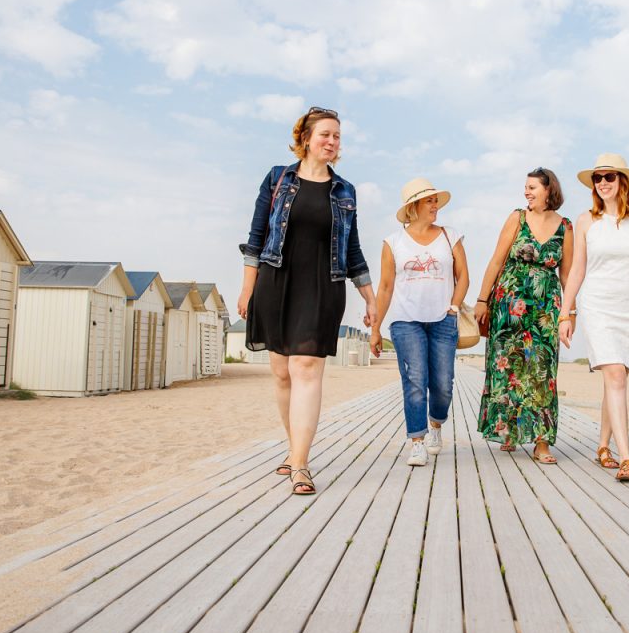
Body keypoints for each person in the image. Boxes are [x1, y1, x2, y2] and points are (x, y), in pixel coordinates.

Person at [237, 106, 376, 495]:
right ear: (305, 138)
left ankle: (300, 464)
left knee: (307, 367)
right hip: (276, 279)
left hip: (322, 284)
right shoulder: (277, 179)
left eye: (337, 136)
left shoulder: (344, 190)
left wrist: (369, 297)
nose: (332, 142)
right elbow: (256, 236)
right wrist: (247, 289)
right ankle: (293, 447)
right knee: (282, 373)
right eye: (325, 134)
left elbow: (352, 249)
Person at [559, 153, 629, 481]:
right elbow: (577, 269)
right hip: (599, 305)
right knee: (615, 375)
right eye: (597, 178)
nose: (602, 183)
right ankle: (626, 457)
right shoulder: (586, 221)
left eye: (609, 176)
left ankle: (603, 446)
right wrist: (566, 312)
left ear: (623, 181)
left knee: (616, 380)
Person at [474, 168, 573, 464]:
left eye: (532, 187)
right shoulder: (517, 218)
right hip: (509, 305)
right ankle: (510, 431)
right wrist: (482, 299)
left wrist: (569, 312)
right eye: (526, 187)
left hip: (546, 309)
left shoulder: (565, 227)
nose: (526, 192)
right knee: (509, 368)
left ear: (548, 189)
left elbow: (567, 275)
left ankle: (542, 443)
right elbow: (496, 261)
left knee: (543, 372)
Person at [370, 178, 470, 467]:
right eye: (429, 201)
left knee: (443, 384)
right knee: (415, 381)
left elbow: (463, 276)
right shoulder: (393, 242)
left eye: (436, 200)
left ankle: (436, 425)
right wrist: (375, 329)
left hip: (443, 320)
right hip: (405, 321)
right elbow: (385, 287)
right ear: (413, 207)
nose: (435, 205)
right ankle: (417, 442)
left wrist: (453, 307)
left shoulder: (450, 236)